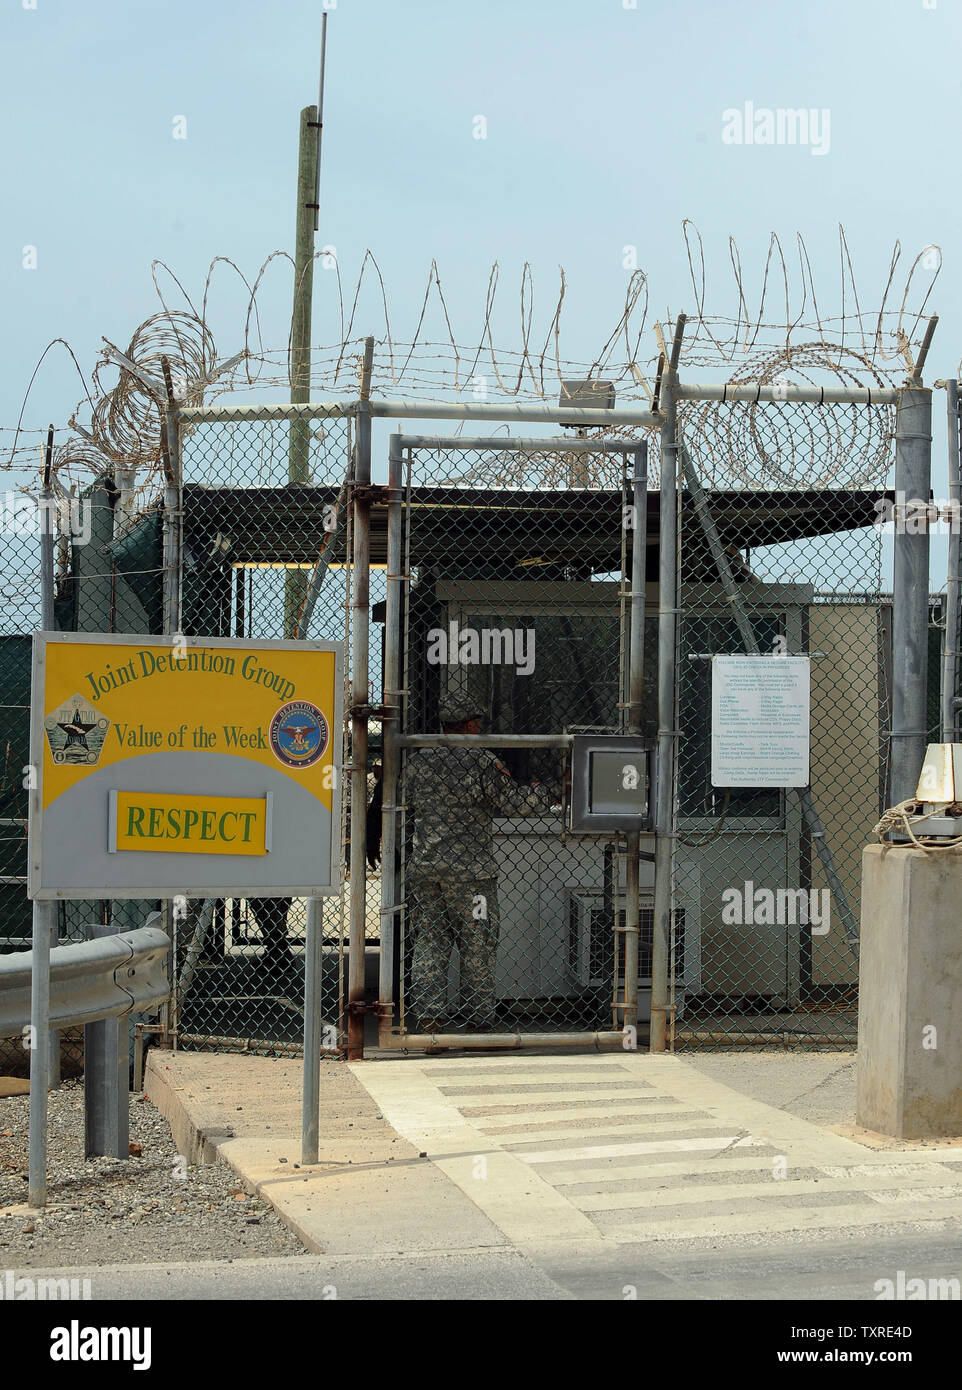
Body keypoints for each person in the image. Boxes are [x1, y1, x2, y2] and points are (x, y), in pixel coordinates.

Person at [405, 694, 559, 1030]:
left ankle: (430, 1018)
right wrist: (552, 791)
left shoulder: (417, 762)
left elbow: (402, 804)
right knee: (478, 943)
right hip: (471, 874)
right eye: (478, 722)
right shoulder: (481, 763)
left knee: (430, 940)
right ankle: (478, 1020)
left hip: (427, 870)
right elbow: (516, 804)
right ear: (471, 724)